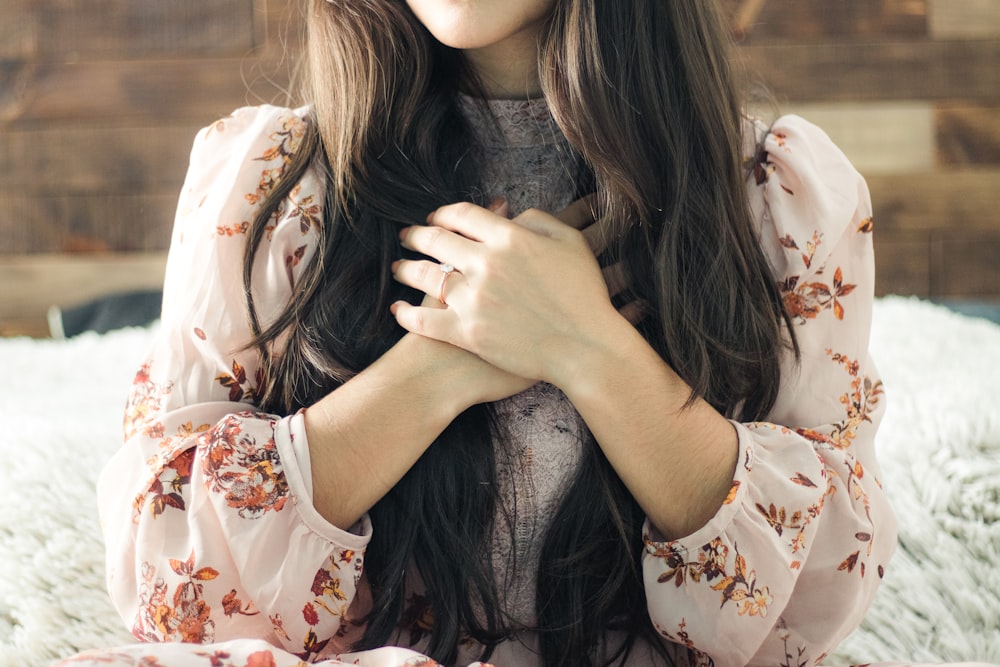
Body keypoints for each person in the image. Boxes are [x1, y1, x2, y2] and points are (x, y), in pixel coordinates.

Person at [57, 1, 968, 666]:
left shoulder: (772, 197)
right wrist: (439, 367)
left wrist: (588, 348)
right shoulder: (270, 184)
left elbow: (813, 603)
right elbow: (172, 586)